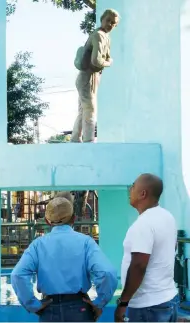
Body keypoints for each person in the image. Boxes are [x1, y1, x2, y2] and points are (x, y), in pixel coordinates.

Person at [12, 193, 117, 322]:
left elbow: (17, 275)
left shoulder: (37, 245)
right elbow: (107, 273)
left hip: (49, 309)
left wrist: (33, 305)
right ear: (73, 218)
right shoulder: (86, 242)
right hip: (80, 308)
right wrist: (99, 302)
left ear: (47, 221)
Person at [114, 174, 179, 322]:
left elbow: (139, 265)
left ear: (143, 194)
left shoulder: (143, 224)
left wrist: (123, 302)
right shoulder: (167, 217)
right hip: (167, 299)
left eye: (133, 186)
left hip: (148, 306)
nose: (130, 190)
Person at [71, 9, 120, 143]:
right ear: (102, 19)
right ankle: (88, 140)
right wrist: (109, 62)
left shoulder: (106, 37)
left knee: (84, 109)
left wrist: (107, 60)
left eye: (113, 23)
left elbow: (105, 56)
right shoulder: (98, 35)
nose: (110, 24)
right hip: (87, 77)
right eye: (108, 20)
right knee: (90, 109)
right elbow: (96, 61)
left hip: (93, 77)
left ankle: (75, 138)